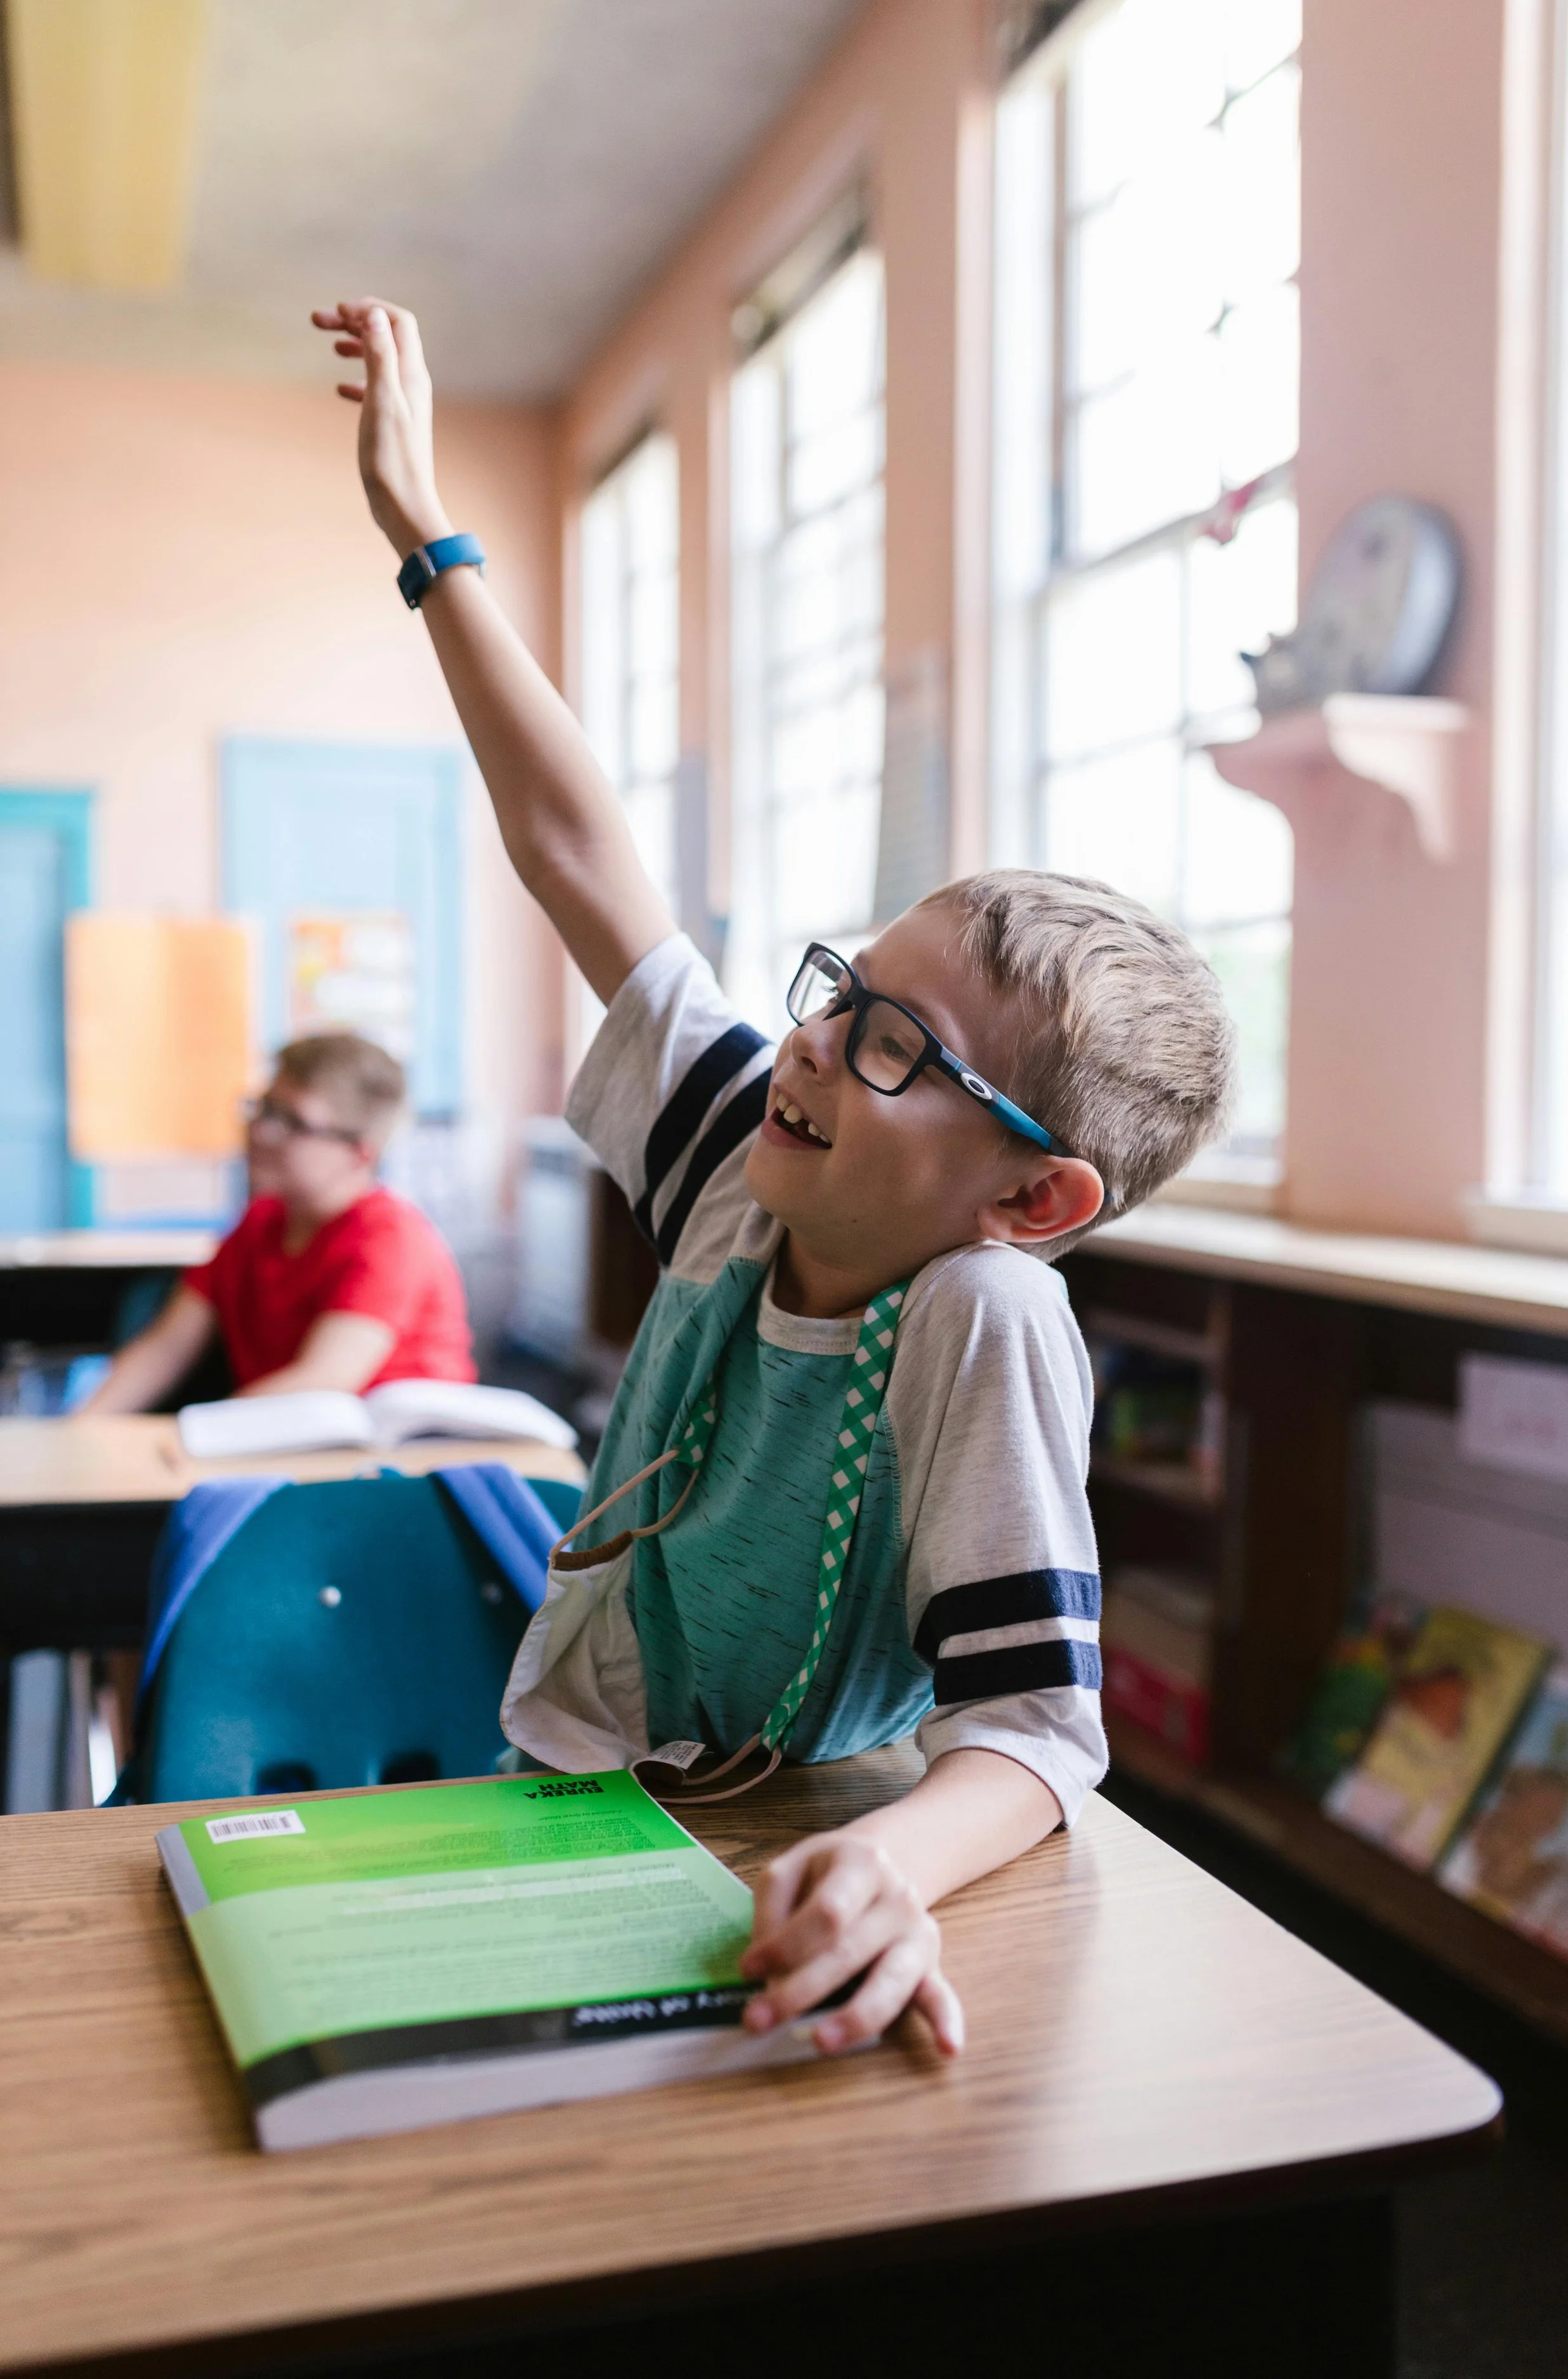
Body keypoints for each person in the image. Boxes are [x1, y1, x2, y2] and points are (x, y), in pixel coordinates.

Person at [311, 294, 1236, 2060]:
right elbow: (577, 844)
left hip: (777, 1841)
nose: (814, 1044)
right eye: (843, 995)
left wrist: (886, 1862)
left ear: (1032, 1197)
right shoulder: (747, 1161)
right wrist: (424, 532)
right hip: (588, 1787)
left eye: (899, 1047)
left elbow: (1036, 1734)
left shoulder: (979, 1315)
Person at [84, 1031, 474, 1413]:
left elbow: (322, 1381)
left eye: (293, 1122)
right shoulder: (259, 1225)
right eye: (264, 1109)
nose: (261, 1131)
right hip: (287, 1453)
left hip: (406, 1462)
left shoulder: (389, 1236)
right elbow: (163, 1351)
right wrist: (80, 1431)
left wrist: (201, 1434)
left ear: (360, 1154)